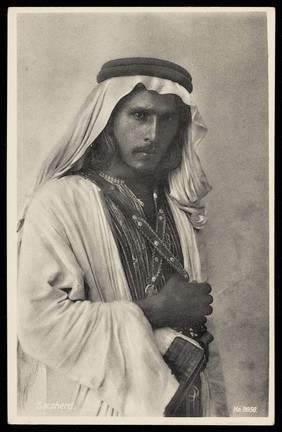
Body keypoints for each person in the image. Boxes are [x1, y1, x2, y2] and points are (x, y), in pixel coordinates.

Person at [17, 58, 228, 417]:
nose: (153, 135)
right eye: (139, 116)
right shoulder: (59, 202)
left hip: (187, 402)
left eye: (168, 119)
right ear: (107, 120)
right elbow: (38, 325)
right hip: (99, 407)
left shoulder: (180, 207)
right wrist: (156, 311)